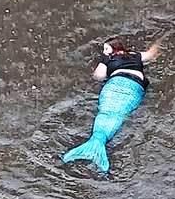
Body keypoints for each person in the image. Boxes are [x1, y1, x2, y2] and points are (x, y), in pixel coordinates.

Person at [62, 37, 161, 172]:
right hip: (134, 88)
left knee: (106, 111)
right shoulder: (135, 56)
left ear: (115, 48)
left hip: (114, 85)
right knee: (119, 113)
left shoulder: (108, 60)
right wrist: (159, 42)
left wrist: (104, 60)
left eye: (106, 48)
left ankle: (96, 143)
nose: (104, 51)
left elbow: (98, 76)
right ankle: (97, 144)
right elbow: (151, 54)